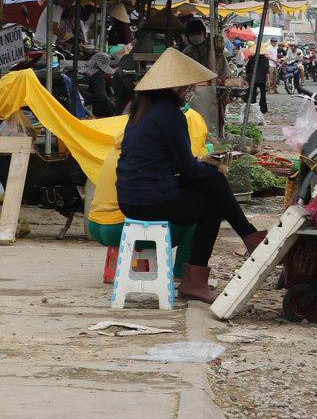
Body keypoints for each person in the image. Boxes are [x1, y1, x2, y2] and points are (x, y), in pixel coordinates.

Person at [115, 48, 267, 303]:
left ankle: (248, 236)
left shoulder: (142, 111)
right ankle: (199, 278)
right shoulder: (171, 115)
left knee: (214, 182)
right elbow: (187, 170)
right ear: (175, 89)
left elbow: (174, 165)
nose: (189, 93)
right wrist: (212, 167)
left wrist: (207, 166)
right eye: (187, 88)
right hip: (150, 198)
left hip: (132, 194)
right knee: (212, 206)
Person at [88, 107, 208, 279]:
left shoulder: (128, 141)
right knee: (202, 214)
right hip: (118, 227)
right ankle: (184, 276)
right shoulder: (152, 146)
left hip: (95, 224)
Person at [80, 52, 116, 117]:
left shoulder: (81, 71)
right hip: (91, 105)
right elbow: (101, 96)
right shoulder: (97, 75)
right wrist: (111, 103)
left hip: (82, 102)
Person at [245, 45, 270, 115]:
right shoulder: (265, 59)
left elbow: (248, 68)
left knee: (252, 94)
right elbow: (266, 70)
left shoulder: (252, 58)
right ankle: (263, 108)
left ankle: (252, 107)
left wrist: (247, 76)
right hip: (262, 79)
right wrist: (268, 80)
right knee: (263, 94)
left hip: (253, 78)